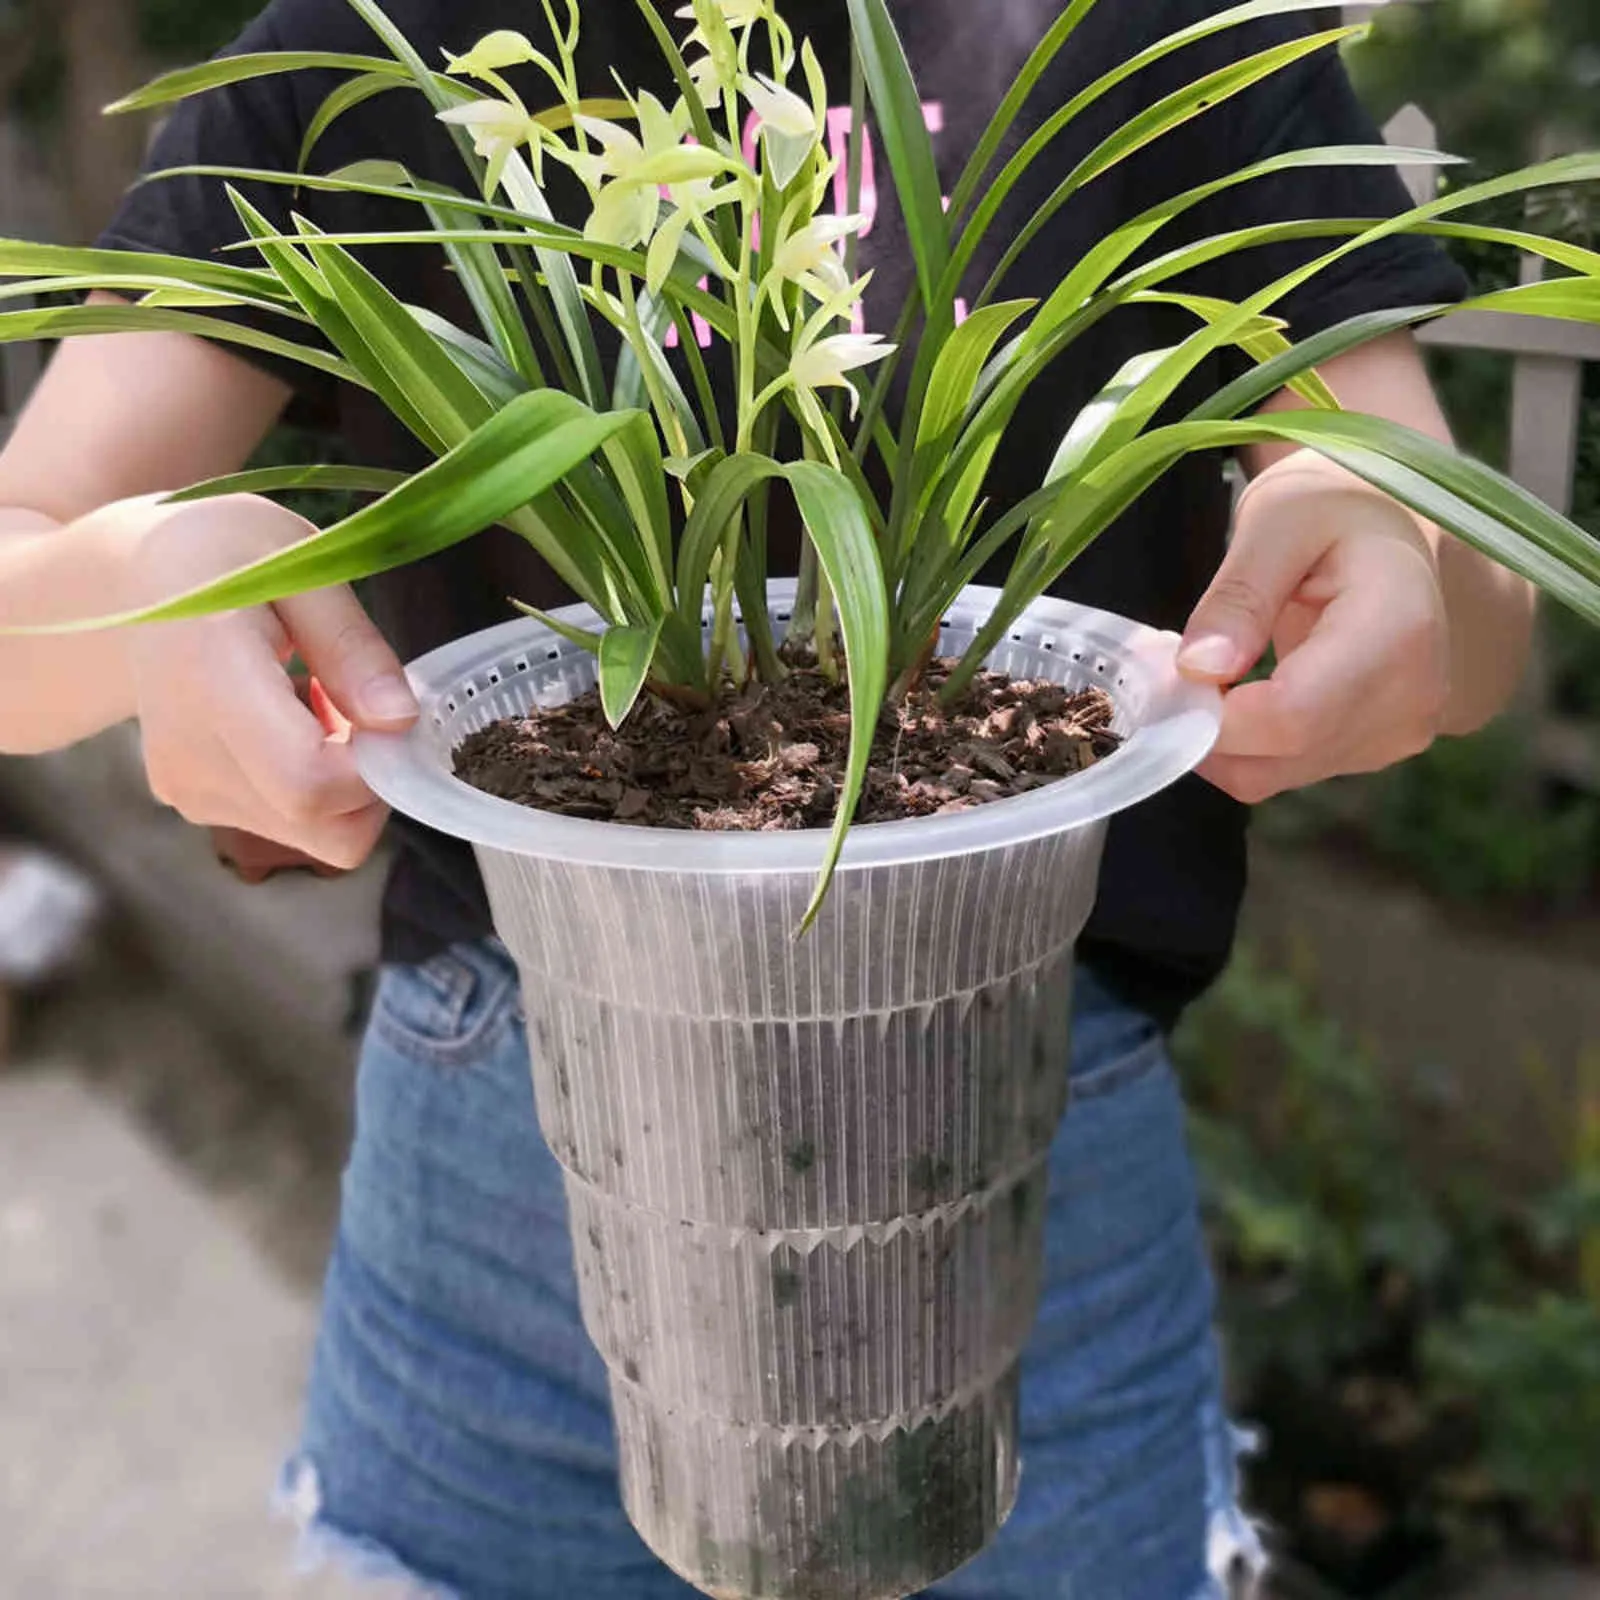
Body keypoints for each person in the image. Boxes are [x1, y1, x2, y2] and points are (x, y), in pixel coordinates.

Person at [0, 1, 1533, 1595]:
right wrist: (143, 586)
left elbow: (1461, 613)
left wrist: (1390, 524)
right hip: (499, 1152)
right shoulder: (381, 37)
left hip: (1024, 1156)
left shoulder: (1174, 34)